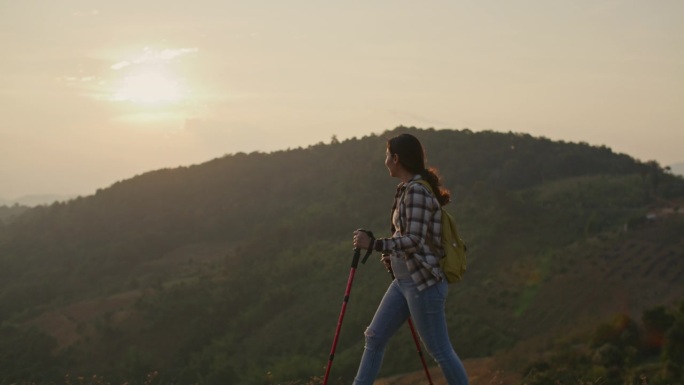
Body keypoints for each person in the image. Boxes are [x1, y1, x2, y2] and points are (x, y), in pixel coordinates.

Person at [351, 133, 469, 385]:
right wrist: (389, 254)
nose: (384, 161)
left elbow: (414, 240)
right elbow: (406, 237)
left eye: (387, 155)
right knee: (374, 337)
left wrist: (374, 244)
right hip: (405, 282)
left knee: (440, 351)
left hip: (423, 283)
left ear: (396, 158)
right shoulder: (406, 189)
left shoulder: (415, 192)